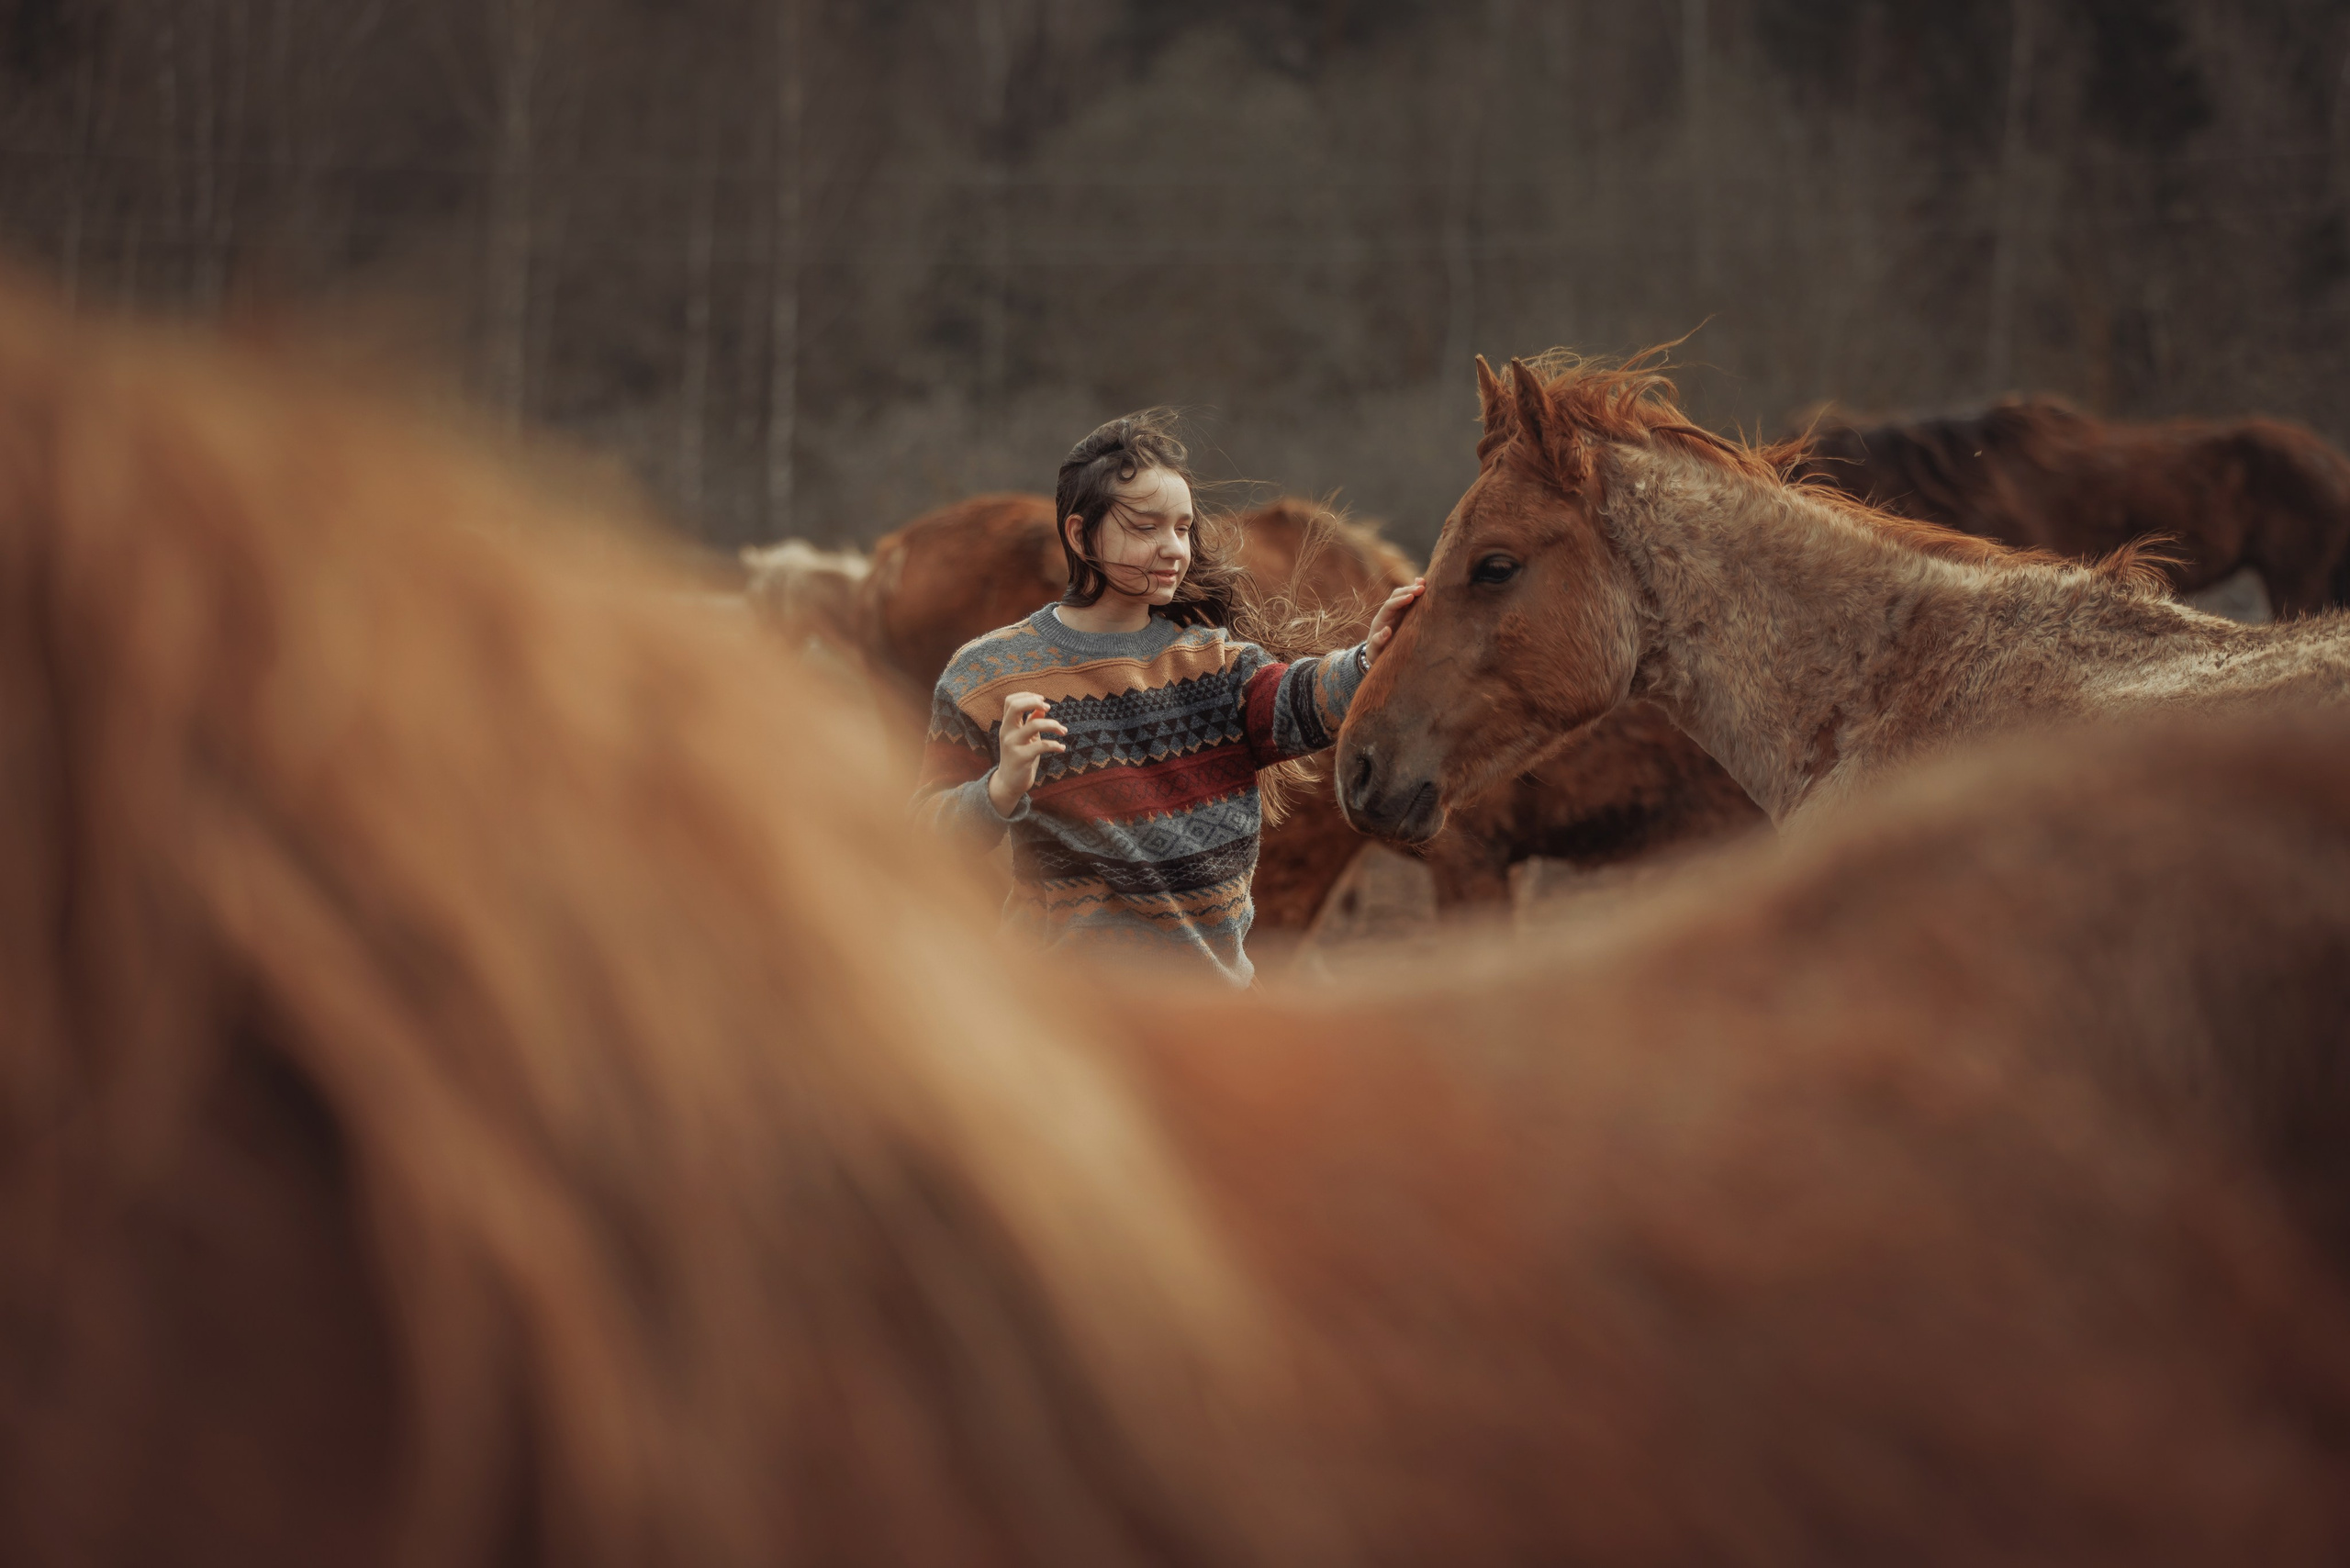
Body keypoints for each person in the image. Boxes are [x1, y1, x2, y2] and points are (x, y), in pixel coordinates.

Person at [912, 410, 1423, 984]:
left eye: (1182, 529)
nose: (1172, 549)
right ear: (1081, 535)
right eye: (1145, 527)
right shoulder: (985, 675)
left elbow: (1304, 699)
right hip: (1068, 1012)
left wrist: (1367, 661)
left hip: (1211, 1011)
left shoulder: (1217, 666)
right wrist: (999, 789)